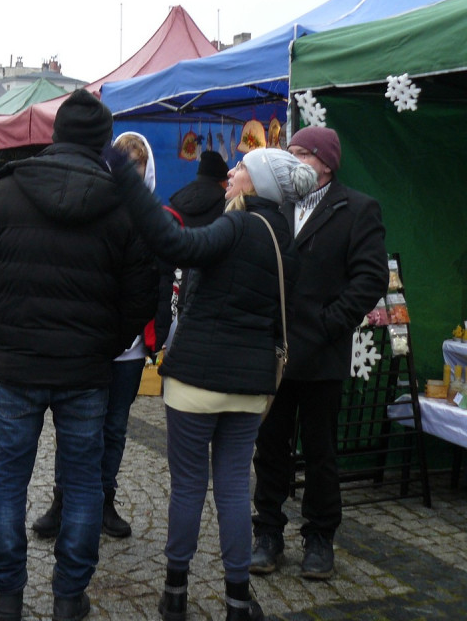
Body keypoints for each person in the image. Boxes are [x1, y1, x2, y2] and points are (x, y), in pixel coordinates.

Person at [0, 89, 158, 621]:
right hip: (86, 369)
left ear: (55, 134)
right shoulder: (122, 203)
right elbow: (143, 294)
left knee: (9, 477)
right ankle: (69, 595)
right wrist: (107, 342)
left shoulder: (5, 194)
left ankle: (10, 593)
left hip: (22, 365)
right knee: (84, 479)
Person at [108, 144, 317, 621]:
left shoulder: (238, 225)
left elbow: (176, 245)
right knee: (232, 489)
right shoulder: (285, 239)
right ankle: (238, 599)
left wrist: (130, 185)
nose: (233, 170)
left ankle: (176, 594)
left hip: (196, 381)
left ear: (258, 184)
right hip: (249, 387)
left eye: (242, 167)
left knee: (187, 488)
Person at [251, 126, 388, 581]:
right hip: (274, 354)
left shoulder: (358, 209)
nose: (291, 163)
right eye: (288, 154)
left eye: (300, 155)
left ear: (326, 162)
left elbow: (369, 280)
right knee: (269, 449)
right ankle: (267, 533)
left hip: (321, 354)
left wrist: (329, 324)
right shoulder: (277, 205)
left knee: (321, 451)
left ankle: (319, 538)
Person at [31, 131, 158, 543]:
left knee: (115, 427)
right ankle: (63, 499)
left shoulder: (154, 218)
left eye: (137, 170)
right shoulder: (92, 206)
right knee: (74, 426)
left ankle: (104, 499)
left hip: (130, 347)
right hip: (88, 341)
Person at [152, 150, 230, 350]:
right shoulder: (228, 208)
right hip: (210, 295)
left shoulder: (176, 202)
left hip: (171, 292)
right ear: (223, 181)